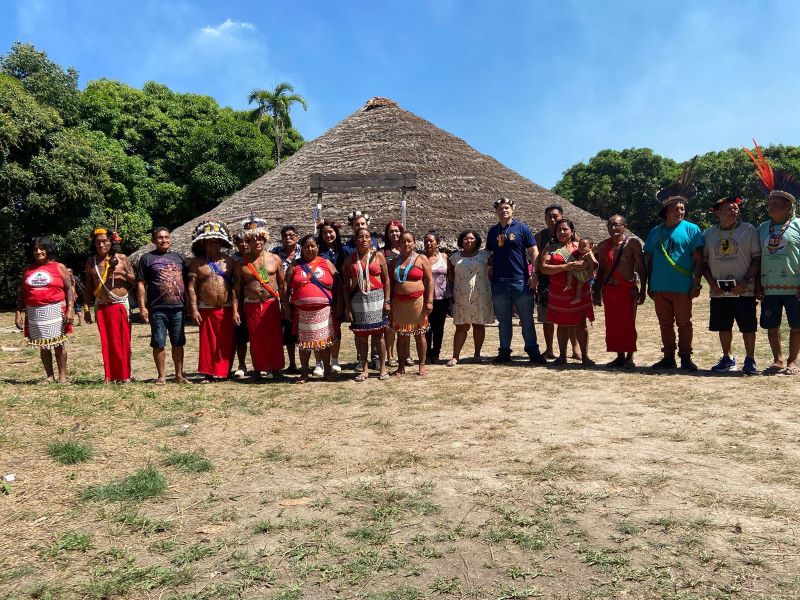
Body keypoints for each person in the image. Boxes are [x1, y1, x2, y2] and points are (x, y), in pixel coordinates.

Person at [643, 158, 705, 371]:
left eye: (682, 208)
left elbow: (699, 259)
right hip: (660, 287)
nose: (681, 211)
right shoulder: (654, 232)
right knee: (665, 324)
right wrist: (649, 285)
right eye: (677, 208)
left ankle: (686, 357)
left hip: (682, 286)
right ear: (667, 211)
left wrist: (696, 283)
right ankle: (668, 356)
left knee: (684, 323)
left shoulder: (692, 229)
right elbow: (648, 261)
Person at [745, 141, 800, 376]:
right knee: (771, 325)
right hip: (770, 287)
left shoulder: (798, 226)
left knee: (797, 325)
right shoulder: (762, 228)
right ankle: (777, 360)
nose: (770, 205)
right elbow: (757, 258)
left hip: (795, 286)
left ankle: (793, 361)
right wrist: (757, 283)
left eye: (775, 203)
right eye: (769, 202)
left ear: (788, 206)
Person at [701, 196, 761, 375]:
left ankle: (750, 360)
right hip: (719, 292)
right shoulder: (709, 234)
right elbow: (704, 264)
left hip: (744, 290)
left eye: (735, 208)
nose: (733, 211)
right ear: (717, 213)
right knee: (723, 326)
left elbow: (757, 259)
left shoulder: (748, 230)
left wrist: (746, 282)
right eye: (728, 209)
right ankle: (727, 358)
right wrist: (712, 285)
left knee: (748, 327)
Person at [486, 197, 546, 364]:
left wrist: (535, 274)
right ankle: (504, 351)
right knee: (504, 320)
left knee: (526, 318)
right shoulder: (492, 231)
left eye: (506, 208)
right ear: (496, 212)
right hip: (499, 282)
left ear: (512, 210)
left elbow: (534, 252)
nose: (503, 211)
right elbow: (489, 254)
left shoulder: (522, 228)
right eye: (500, 209)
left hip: (520, 280)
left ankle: (533, 350)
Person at [233, 216, 286, 380]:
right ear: (247, 241)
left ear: (264, 240)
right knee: (255, 338)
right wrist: (235, 310)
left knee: (275, 337)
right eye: (253, 239)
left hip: (271, 303)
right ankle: (258, 369)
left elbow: (282, 284)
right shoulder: (242, 263)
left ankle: (276, 369)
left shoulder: (274, 259)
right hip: (252, 305)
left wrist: (285, 306)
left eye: (260, 238)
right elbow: (236, 289)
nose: (257, 242)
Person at [15, 237, 73, 384]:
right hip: (34, 312)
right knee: (43, 345)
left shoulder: (58, 267)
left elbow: (68, 289)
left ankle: (62, 377)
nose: (38, 251)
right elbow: (22, 293)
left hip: (55, 310)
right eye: (35, 249)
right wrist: (18, 312)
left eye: (41, 248)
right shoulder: (28, 269)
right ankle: (49, 376)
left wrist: (70, 309)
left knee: (58, 345)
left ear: (48, 249)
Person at [136, 227, 189, 384]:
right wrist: (142, 307)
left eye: (166, 237)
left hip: (178, 307)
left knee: (178, 342)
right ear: (153, 240)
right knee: (159, 342)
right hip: (157, 308)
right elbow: (140, 284)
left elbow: (187, 282)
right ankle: (162, 376)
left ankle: (179, 375)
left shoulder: (179, 258)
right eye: (160, 238)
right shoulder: (146, 258)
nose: (164, 240)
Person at [539, 219, 595, 365]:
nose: (562, 232)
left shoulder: (581, 246)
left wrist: (586, 266)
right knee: (561, 324)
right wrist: (566, 267)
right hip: (559, 292)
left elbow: (594, 264)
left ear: (572, 231)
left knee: (581, 324)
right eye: (559, 230)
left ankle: (585, 356)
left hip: (579, 291)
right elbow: (544, 268)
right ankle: (562, 355)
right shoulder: (550, 249)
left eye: (565, 229)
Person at [83, 227, 136, 382]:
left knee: (124, 341)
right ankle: (110, 376)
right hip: (102, 306)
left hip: (120, 305)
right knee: (107, 342)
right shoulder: (91, 262)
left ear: (111, 242)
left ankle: (125, 375)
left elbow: (136, 279)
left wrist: (123, 275)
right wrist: (86, 307)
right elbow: (88, 286)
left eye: (104, 241)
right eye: (98, 242)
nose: (101, 245)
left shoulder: (122, 258)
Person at [592, 215, 646, 368]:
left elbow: (641, 268)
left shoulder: (633, 244)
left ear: (624, 226)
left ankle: (630, 356)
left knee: (629, 324)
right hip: (610, 289)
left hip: (627, 290)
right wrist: (597, 291)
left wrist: (643, 289)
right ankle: (619, 356)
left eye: (616, 225)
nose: (612, 228)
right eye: (609, 225)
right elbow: (601, 270)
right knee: (613, 325)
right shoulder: (603, 246)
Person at [187, 220, 236, 382]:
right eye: (209, 242)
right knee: (208, 342)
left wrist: (236, 310)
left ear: (221, 243)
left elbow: (236, 288)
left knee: (225, 341)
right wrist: (193, 309)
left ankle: (224, 371)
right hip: (205, 308)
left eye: (216, 242)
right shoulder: (197, 264)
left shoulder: (229, 262)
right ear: (203, 244)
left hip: (226, 307)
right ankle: (208, 373)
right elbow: (192, 288)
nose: (213, 245)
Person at [287, 235, 341, 382]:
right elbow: (285, 287)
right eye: (306, 246)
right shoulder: (295, 265)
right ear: (301, 248)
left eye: (312, 246)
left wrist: (340, 303)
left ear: (318, 247)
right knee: (304, 343)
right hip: (302, 311)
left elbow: (338, 283)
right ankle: (304, 372)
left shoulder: (326, 263)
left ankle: (327, 370)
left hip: (324, 310)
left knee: (324, 342)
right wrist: (286, 307)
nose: (309, 249)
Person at [343, 227, 390, 381]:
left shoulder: (379, 256)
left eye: (367, 236)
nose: (364, 239)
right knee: (362, 337)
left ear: (371, 240)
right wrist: (348, 307)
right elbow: (345, 284)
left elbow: (386, 280)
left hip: (377, 299)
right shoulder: (350, 259)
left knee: (379, 336)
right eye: (360, 237)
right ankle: (364, 368)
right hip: (358, 300)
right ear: (355, 241)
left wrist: (387, 301)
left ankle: (382, 367)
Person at [447, 229, 494, 366]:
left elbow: (495, 269)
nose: (469, 241)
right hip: (461, 295)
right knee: (461, 326)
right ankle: (455, 356)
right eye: (466, 239)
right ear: (461, 241)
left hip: (480, 295)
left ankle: (477, 354)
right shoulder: (454, 257)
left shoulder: (485, 255)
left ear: (477, 241)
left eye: (472, 239)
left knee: (479, 324)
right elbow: (450, 276)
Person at [389, 231, 433, 375]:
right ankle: (401, 366)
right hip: (399, 303)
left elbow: (429, 280)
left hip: (417, 302)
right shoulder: (394, 261)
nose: (406, 244)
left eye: (409, 241)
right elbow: (389, 282)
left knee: (419, 334)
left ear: (414, 243)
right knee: (401, 335)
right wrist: (388, 302)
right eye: (403, 241)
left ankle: (421, 365)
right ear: (398, 244)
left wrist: (429, 301)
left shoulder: (421, 259)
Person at [341, 209, 380, 371]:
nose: (360, 227)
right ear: (352, 227)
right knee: (360, 328)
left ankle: (376, 357)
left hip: (374, 292)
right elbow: (344, 273)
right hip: (356, 292)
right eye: (357, 225)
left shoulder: (375, 244)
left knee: (377, 326)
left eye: (362, 224)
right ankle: (360, 358)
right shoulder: (346, 249)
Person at [271, 224, 301, 374]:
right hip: (280, 297)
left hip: (300, 295)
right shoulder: (274, 254)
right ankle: (291, 363)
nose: (288, 238)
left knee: (302, 330)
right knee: (286, 330)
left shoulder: (305, 251)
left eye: (291, 235)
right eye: (285, 236)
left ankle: (308, 362)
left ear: (297, 237)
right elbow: (266, 273)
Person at [316, 220, 345, 373]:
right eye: (325, 233)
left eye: (331, 232)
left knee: (336, 327)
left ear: (336, 233)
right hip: (320, 294)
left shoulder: (343, 250)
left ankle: (334, 359)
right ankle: (319, 362)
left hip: (339, 293)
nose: (328, 235)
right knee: (318, 328)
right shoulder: (316, 251)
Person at [423, 230, 449, 364]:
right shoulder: (420, 258)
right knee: (426, 327)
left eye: (431, 241)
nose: (428, 243)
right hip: (425, 298)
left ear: (437, 243)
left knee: (439, 327)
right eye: (426, 241)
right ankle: (426, 354)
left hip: (442, 298)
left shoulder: (444, 257)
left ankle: (436, 353)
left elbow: (451, 276)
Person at [383, 220, 404, 367]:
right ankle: (390, 355)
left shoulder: (407, 251)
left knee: (404, 324)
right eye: (391, 231)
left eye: (397, 231)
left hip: (404, 293)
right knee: (390, 326)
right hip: (390, 293)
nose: (394, 233)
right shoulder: (383, 253)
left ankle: (406, 354)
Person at [229, 233, 250, 378]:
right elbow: (233, 286)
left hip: (256, 303)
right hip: (239, 303)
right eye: (240, 242)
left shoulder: (259, 259)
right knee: (241, 337)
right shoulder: (232, 261)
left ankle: (260, 363)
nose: (244, 244)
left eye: (246, 241)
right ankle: (242, 364)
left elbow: (265, 280)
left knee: (258, 337)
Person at [564, 237, 598, 305]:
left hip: (586, 274)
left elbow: (593, 264)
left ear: (591, 247)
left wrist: (591, 274)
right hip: (583, 274)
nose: (581, 248)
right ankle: (578, 297)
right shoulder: (583, 253)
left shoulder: (588, 254)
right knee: (579, 286)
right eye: (580, 246)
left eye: (584, 246)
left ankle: (569, 285)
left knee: (570, 270)